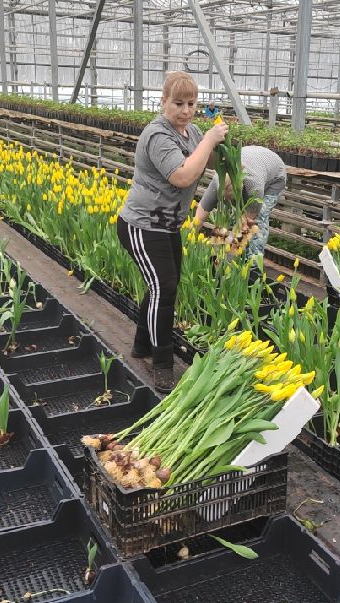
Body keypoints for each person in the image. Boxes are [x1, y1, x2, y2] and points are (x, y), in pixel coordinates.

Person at [116, 71, 229, 392]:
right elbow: (181, 175)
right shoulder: (157, 135)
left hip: (167, 224)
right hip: (142, 225)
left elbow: (202, 161)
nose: (186, 110)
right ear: (163, 101)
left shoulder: (191, 131)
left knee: (163, 285)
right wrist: (209, 140)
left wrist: (223, 153)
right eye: (178, 103)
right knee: (164, 289)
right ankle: (161, 363)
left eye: (191, 103)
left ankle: (141, 344)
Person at [193, 145, 286, 259]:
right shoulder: (217, 182)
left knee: (256, 223)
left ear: (239, 191)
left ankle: (254, 263)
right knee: (229, 218)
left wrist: (228, 253)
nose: (227, 201)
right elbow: (199, 218)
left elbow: (245, 223)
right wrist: (188, 238)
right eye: (224, 198)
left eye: (230, 199)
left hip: (274, 176)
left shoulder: (254, 188)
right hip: (252, 158)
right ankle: (227, 259)